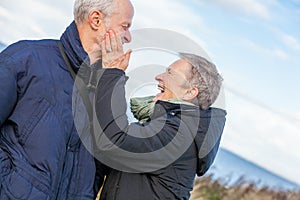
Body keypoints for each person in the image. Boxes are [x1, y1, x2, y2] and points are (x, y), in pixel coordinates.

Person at [0, 0, 134, 199]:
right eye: (125, 26)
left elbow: (103, 164)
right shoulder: (24, 59)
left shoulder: (106, 94)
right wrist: (9, 186)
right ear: (96, 20)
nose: (128, 37)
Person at [93, 32, 226, 200]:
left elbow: (114, 140)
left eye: (170, 73)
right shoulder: (176, 127)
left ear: (190, 93)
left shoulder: (177, 134)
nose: (159, 77)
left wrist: (111, 73)